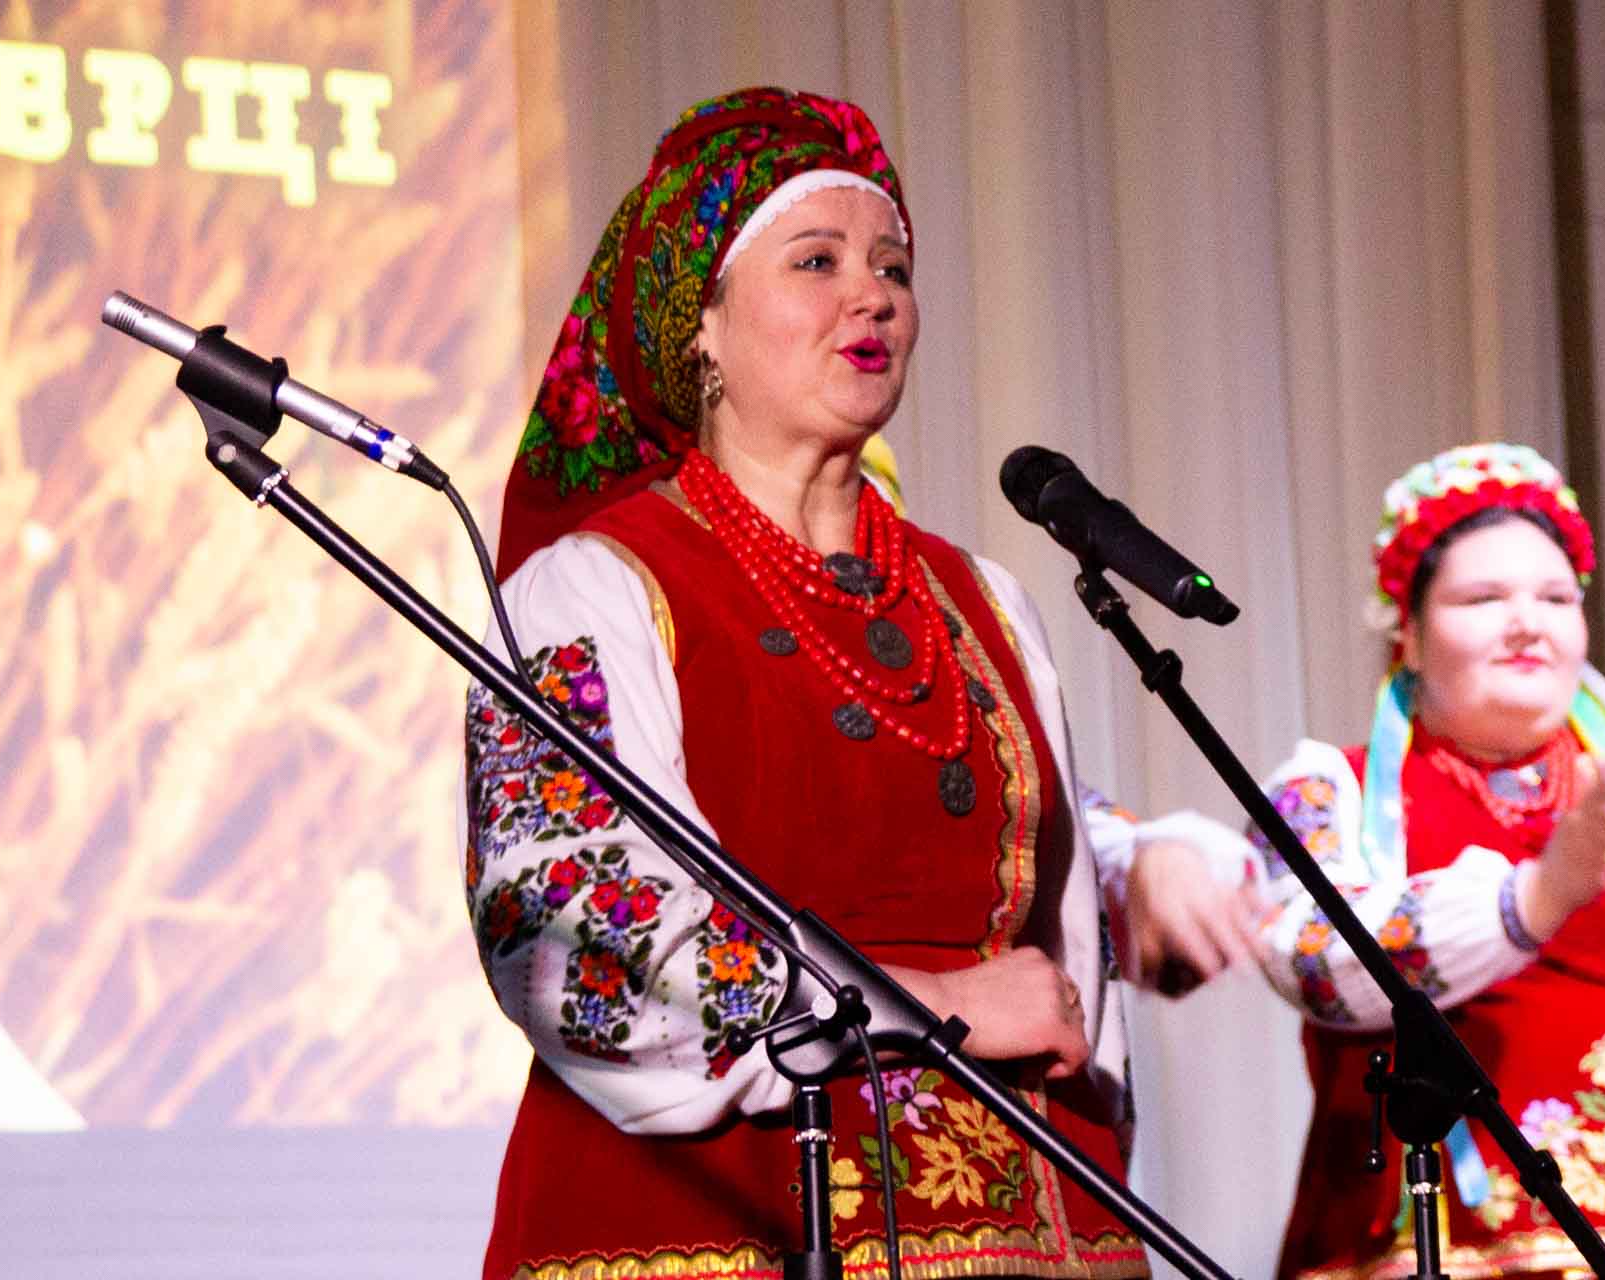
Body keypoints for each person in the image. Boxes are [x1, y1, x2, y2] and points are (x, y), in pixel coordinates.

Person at [461, 88, 1144, 1280]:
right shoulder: (591, 591)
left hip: (1021, 1226)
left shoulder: (988, 600)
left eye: (892, 267)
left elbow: (1066, 961)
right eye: (816, 261)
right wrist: (937, 1004)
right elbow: (574, 924)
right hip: (721, 1223)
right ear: (702, 327)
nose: (871, 295)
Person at [1096, 443, 1605, 1277]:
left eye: (1555, 597)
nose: (1527, 622)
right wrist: (1534, 898)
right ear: (1408, 629)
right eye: (1483, 598)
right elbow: (1313, 962)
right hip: (1441, 1251)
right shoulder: (1332, 790)